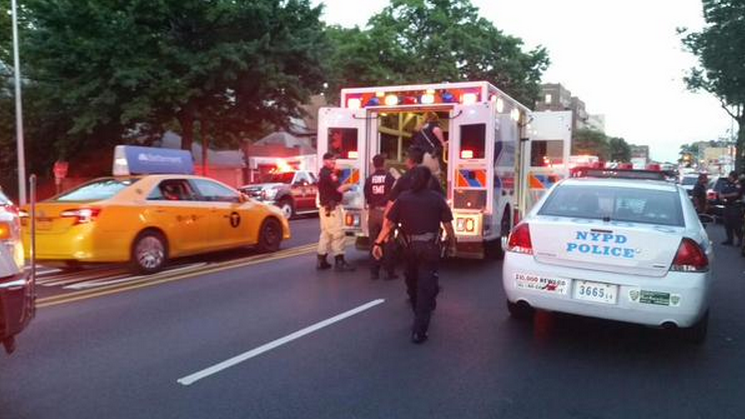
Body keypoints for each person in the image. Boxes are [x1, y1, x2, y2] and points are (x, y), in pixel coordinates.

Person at [373, 166, 456, 344]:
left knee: (413, 284)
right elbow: (448, 226)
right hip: (429, 250)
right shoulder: (437, 199)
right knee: (425, 289)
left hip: (409, 249)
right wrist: (453, 245)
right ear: (428, 181)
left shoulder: (403, 198)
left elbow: (389, 225)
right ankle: (419, 329)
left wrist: (378, 242)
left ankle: (419, 315)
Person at [317, 152, 356, 271]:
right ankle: (340, 261)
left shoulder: (321, 173)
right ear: (325, 161)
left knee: (326, 234)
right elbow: (339, 189)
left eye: (334, 160)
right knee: (338, 233)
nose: (333, 162)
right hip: (332, 208)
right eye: (331, 160)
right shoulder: (329, 174)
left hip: (325, 208)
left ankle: (321, 260)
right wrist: (351, 185)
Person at [363, 154, 397, 280]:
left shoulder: (369, 179)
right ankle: (389, 272)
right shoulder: (389, 178)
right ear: (384, 163)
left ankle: (374, 272)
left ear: (374, 164)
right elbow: (394, 194)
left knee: (374, 242)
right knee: (388, 242)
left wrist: (373, 204)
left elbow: (366, 195)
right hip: (386, 213)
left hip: (373, 213)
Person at [411, 112, 447, 177]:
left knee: (421, 177)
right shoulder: (433, 125)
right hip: (430, 155)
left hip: (418, 157)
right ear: (435, 118)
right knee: (434, 176)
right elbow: (436, 130)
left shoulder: (418, 128)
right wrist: (443, 143)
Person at [719, 171, 743, 246]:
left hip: (735, 207)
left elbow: (736, 194)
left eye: (730, 177)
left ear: (734, 177)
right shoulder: (727, 184)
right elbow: (721, 191)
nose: (729, 178)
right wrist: (720, 196)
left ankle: (740, 240)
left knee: (736, 225)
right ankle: (729, 239)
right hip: (727, 206)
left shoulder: (738, 185)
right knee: (727, 224)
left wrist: (725, 195)